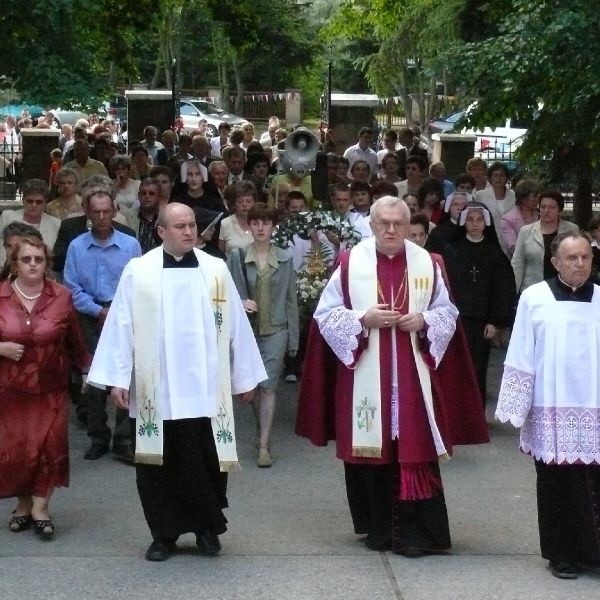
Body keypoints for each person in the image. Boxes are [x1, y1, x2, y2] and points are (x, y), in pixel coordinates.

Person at [296, 196, 488, 555]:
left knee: (413, 448)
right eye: (383, 223)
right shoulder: (350, 263)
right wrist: (362, 319)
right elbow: (325, 314)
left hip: (413, 377)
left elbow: (447, 312)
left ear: (408, 226)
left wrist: (425, 320)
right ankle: (380, 529)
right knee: (375, 451)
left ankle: (420, 534)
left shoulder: (427, 264)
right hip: (368, 376)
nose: (391, 230)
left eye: (398, 224)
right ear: (371, 226)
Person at [87, 203, 266, 561]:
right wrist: (117, 379)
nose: (189, 232)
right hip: (158, 390)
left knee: (205, 457)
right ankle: (164, 534)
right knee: (158, 464)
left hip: (205, 389)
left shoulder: (215, 269)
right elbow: (121, 325)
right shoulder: (139, 271)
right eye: (180, 226)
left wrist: (245, 376)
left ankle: (206, 530)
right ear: (161, 232)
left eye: (192, 226)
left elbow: (235, 324)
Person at [496, 232, 600, 579]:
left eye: (585, 257)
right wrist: (516, 403)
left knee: (594, 484)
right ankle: (562, 555)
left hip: (594, 408)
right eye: (572, 258)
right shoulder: (534, 298)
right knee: (557, 484)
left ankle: (593, 554)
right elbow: (522, 351)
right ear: (555, 262)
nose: (580, 264)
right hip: (551, 407)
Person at [0, 236, 90, 539]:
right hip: (9, 389)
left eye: (39, 259)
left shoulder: (61, 296)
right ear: (14, 264)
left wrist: (87, 369)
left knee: (50, 448)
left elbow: (75, 339)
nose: (33, 264)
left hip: (51, 388)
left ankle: (41, 508)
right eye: (26, 259)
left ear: (47, 263)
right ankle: (23, 506)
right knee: (16, 451)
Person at [64, 188, 142, 461]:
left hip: (123, 315)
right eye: (95, 211)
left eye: (106, 211)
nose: (101, 216)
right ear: (87, 212)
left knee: (125, 374)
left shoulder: (130, 244)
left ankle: (123, 439)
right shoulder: (76, 246)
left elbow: (138, 283)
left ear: (114, 211)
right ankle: (98, 436)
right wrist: (98, 311)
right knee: (95, 377)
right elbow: (71, 288)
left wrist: (117, 311)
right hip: (89, 315)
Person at [228, 203, 298, 467]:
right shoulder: (237, 256)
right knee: (253, 387)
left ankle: (264, 444)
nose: (260, 227)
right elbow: (229, 291)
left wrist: (294, 338)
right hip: (248, 330)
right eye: (255, 222)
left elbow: (291, 298)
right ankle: (261, 429)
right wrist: (241, 301)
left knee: (268, 386)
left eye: (265, 223)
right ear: (250, 225)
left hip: (277, 329)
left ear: (273, 226)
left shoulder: (285, 257)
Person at [442, 204, 516, 403]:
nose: (475, 224)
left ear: (486, 223)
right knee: (455, 367)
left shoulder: (494, 254)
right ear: (463, 222)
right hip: (456, 320)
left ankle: (477, 414)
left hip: (482, 322)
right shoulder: (451, 250)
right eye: (470, 219)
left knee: (478, 368)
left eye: (479, 220)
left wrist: (494, 321)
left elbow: (501, 289)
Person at [511, 191, 579, 294]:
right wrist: (513, 291)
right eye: (543, 207)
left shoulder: (572, 229)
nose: (546, 211)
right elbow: (517, 264)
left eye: (551, 207)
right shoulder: (526, 231)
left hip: (564, 289)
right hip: (533, 289)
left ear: (560, 211)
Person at [0, 179, 61, 267]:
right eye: (30, 201)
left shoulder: (56, 224)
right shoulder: (7, 217)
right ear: (23, 200)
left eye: (39, 202)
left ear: (46, 203)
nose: (34, 205)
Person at [500, 178, 540, 258]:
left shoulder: (540, 215)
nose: (537, 199)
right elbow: (512, 247)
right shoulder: (508, 220)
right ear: (523, 198)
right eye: (534, 196)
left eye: (538, 196)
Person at [218, 181, 257, 255]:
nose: (244, 205)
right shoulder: (225, 223)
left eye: (248, 201)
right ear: (234, 203)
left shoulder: (261, 223)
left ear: (254, 203)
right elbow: (221, 254)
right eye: (240, 201)